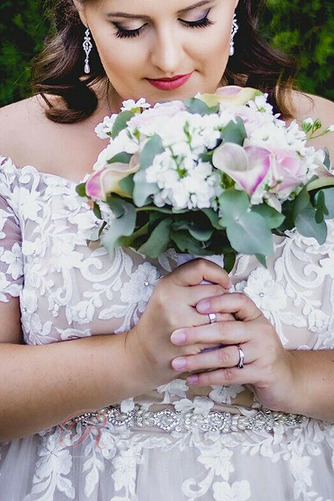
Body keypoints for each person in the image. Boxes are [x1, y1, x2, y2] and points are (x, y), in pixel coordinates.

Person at [0, 0, 334, 499]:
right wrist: (131, 359)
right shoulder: (12, 144)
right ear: (81, 10)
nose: (170, 59)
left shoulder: (324, 137)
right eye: (130, 28)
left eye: (197, 19)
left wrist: (294, 376)